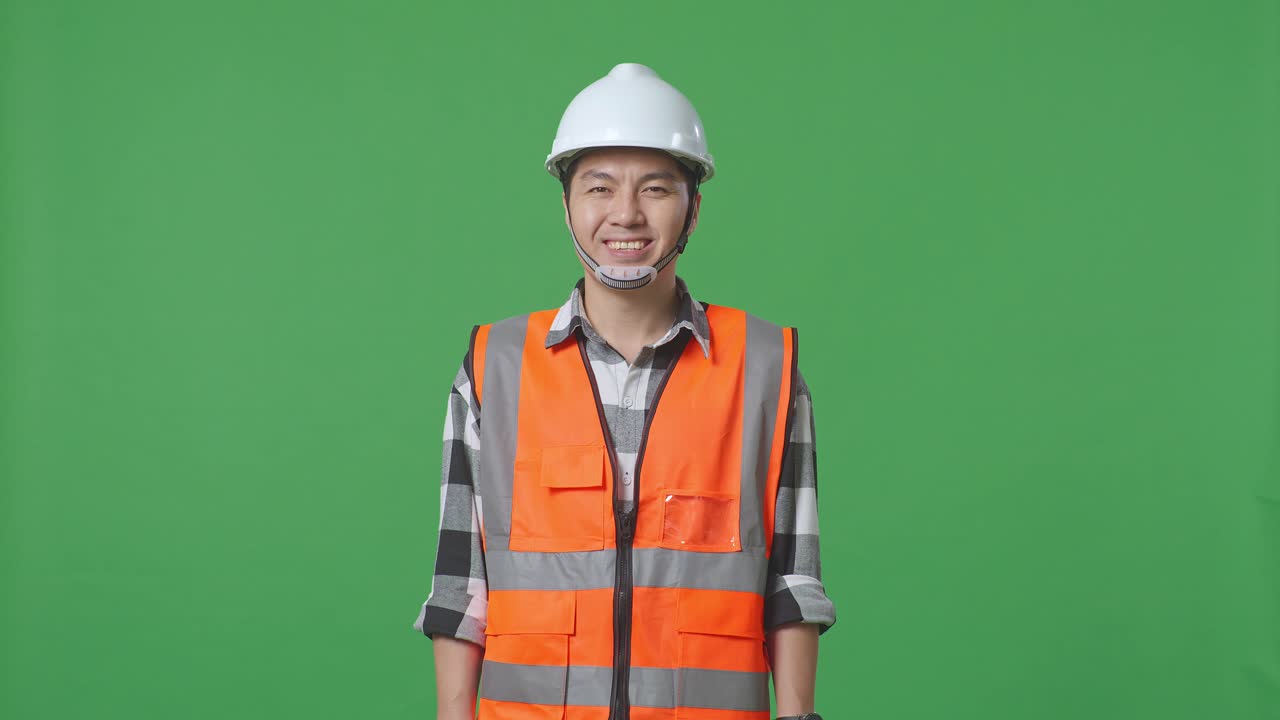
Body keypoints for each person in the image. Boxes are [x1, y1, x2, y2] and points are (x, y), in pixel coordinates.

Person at [413, 62, 836, 720]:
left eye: (656, 189)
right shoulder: (492, 368)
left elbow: (794, 585)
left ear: (693, 205)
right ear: (567, 204)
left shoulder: (766, 369)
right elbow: (460, 589)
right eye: (599, 187)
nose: (626, 214)